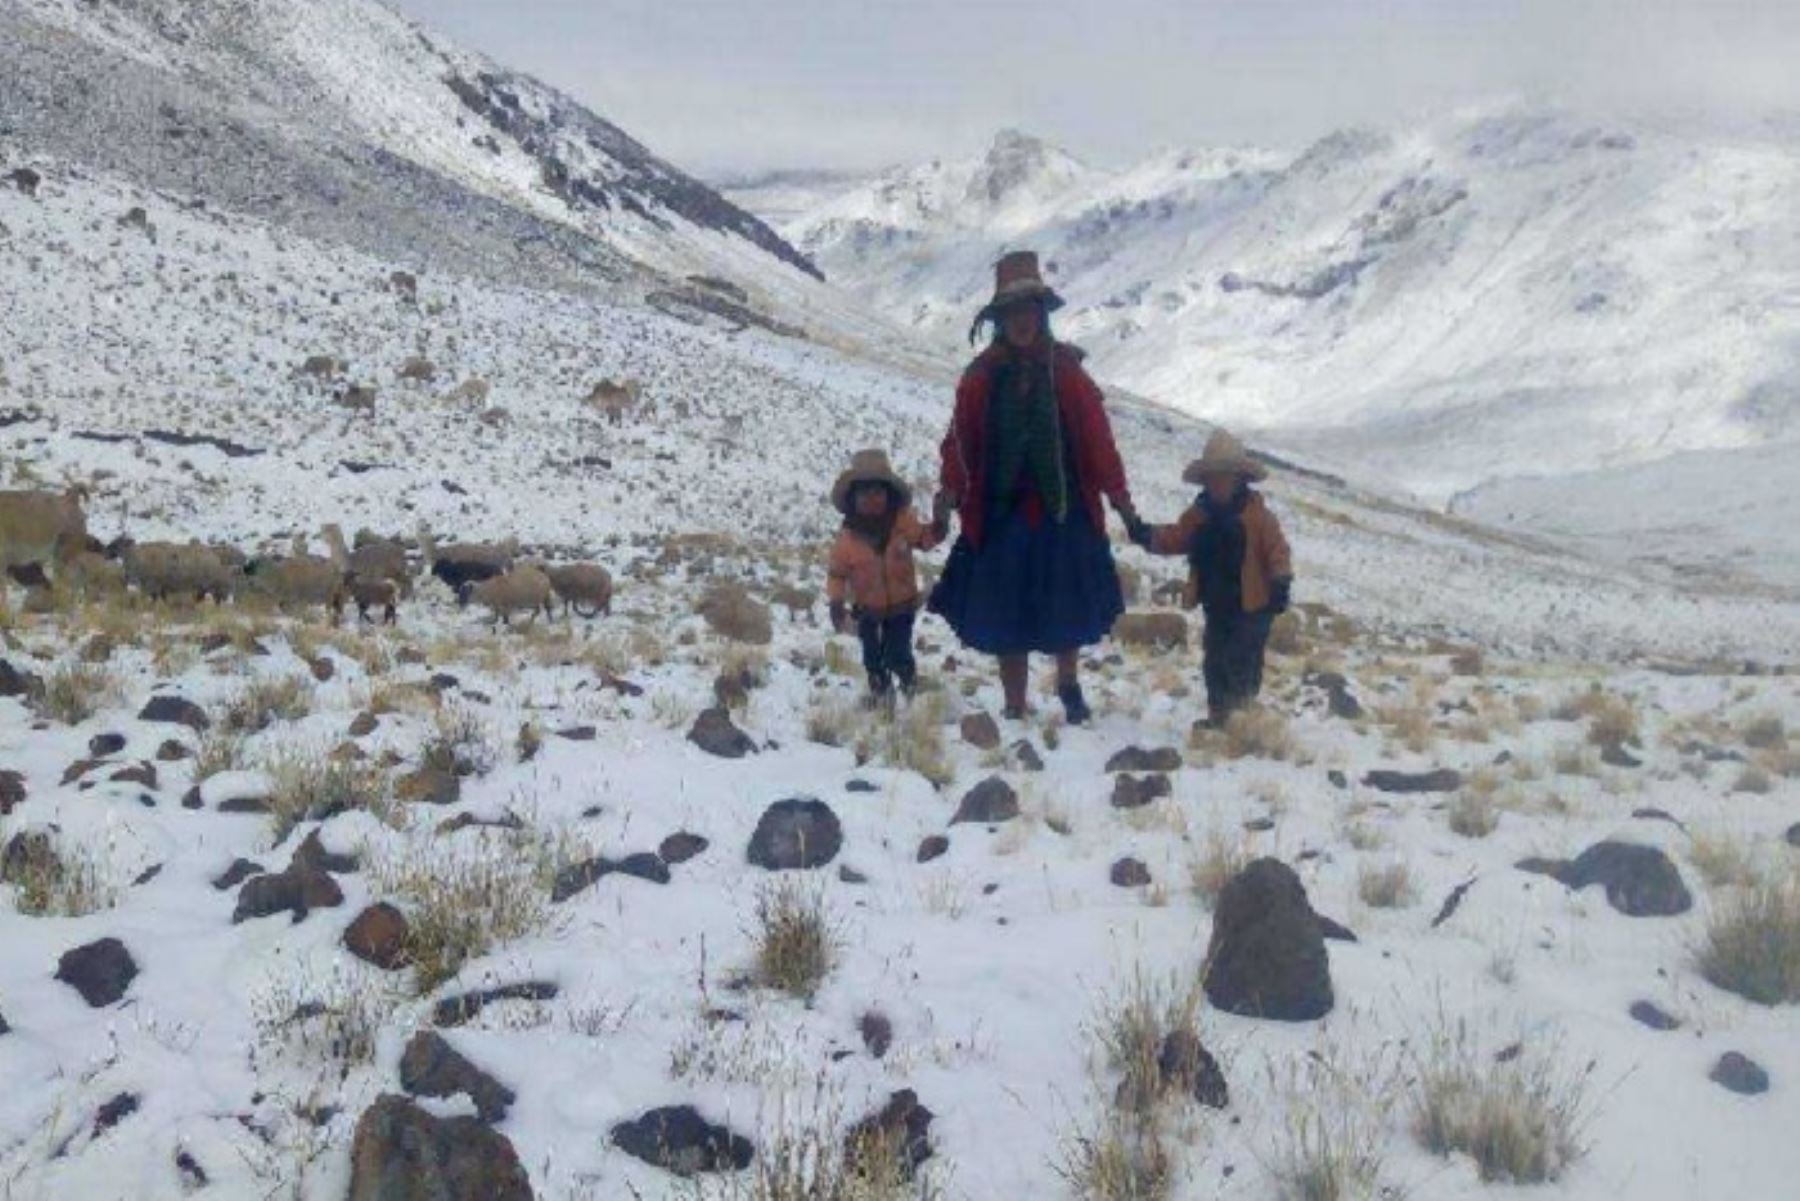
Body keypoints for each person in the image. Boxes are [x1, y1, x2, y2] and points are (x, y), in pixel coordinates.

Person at [931, 250, 1139, 723]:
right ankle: (1014, 703)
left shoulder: (1067, 373)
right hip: (1003, 516)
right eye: (1011, 314)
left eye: (1029, 311)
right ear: (999, 320)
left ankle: (1068, 682)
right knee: (1009, 614)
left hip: (1062, 512)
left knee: (1065, 602)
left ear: (1041, 315)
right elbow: (960, 443)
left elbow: (1096, 440)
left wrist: (1121, 502)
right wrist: (947, 499)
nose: (1022, 322)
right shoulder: (980, 378)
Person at [1128, 429, 1293, 726]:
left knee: (1242, 663)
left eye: (1224, 476)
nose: (1217, 483)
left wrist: (1280, 583)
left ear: (1239, 478)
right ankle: (1220, 720)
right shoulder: (1198, 514)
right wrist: (1145, 535)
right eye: (1212, 477)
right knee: (1215, 663)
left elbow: (1278, 551)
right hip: (1216, 604)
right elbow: (1176, 538)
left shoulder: (1259, 517)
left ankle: (1241, 724)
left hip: (1253, 606)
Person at [826, 449, 948, 705]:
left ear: (889, 495)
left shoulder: (903, 523)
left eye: (878, 492)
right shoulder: (847, 538)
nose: (872, 499)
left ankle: (909, 688)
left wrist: (940, 524)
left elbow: (924, 540)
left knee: (899, 652)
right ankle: (882, 698)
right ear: (853, 499)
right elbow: (836, 575)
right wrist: (836, 605)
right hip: (867, 610)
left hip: (903, 606)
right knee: (872, 656)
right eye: (865, 493)